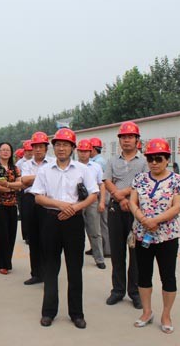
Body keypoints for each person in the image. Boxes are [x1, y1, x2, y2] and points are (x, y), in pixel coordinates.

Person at [30, 128, 98, 329]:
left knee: (75, 268)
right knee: (51, 267)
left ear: (72, 148)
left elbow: (93, 194)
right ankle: (48, 312)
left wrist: (75, 208)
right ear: (54, 148)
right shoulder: (45, 170)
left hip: (74, 221)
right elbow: (38, 197)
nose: (61, 148)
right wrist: (60, 205)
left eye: (65, 145)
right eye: (58, 145)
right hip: (51, 220)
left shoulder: (82, 169)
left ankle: (76, 313)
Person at [128, 138, 180, 335]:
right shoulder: (140, 178)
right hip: (142, 234)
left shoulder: (178, 180)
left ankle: (166, 315)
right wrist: (143, 219)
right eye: (150, 159)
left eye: (158, 159)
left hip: (167, 236)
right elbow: (132, 201)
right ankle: (147, 311)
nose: (154, 163)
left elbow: (177, 206)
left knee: (168, 276)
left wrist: (155, 221)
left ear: (167, 159)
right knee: (143, 274)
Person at [104, 121, 147, 309]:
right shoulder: (112, 161)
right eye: (123, 137)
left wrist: (125, 195)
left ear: (137, 140)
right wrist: (119, 197)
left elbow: (144, 182)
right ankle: (118, 290)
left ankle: (135, 292)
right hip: (115, 209)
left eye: (130, 137)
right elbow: (107, 180)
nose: (126, 140)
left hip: (136, 210)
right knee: (117, 252)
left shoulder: (144, 161)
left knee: (135, 253)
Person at [20, 131, 53, 285]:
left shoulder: (53, 162)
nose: (38, 149)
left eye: (41, 146)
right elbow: (25, 181)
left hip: (48, 201)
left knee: (48, 238)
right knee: (33, 238)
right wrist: (43, 175)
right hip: (30, 200)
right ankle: (36, 273)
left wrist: (35, 177)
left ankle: (48, 273)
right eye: (35, 147)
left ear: (46, 148)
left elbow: (52, 181)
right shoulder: (26, 164)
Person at [0, 142, 23, 274]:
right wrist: (12, 187)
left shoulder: (15, 168)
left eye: (8, 150)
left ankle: (7, 261)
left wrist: (7, 185)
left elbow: (20, 185)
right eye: (3, 150)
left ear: (11, 152)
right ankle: (1, 264)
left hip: (12, 205)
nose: (5, 152)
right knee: (1, 235)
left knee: (11, 234)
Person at [76, 139, 107, 269]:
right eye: (81, 151)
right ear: (77, 152)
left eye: (86, 151)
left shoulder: (96, 167)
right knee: (77, 232)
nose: (83, 154)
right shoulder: (73, 166)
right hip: (77, 201)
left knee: (95, 231)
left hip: (92, 200)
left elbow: (101, 184)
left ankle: (99, 258)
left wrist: (102, 201)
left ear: (90, 152)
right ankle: (76, 259)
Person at [87, 137, 110, 258]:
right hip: (97, 193)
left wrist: (101, 200)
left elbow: (101, 182)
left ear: (93, 149)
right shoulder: (97, 160)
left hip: (101, 193)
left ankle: (106, 249)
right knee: (95, 224)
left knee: (102, 223)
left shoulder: (98, 163)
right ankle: (97, 248)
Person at [16, 140, 33, 241]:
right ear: (24, 151)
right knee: (25, 214)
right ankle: (26, 235)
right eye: (28, 150)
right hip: (23, 190)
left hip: (35, 191)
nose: (30, 152)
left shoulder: (36, 161)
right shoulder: (20, 163)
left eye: (31, 150)